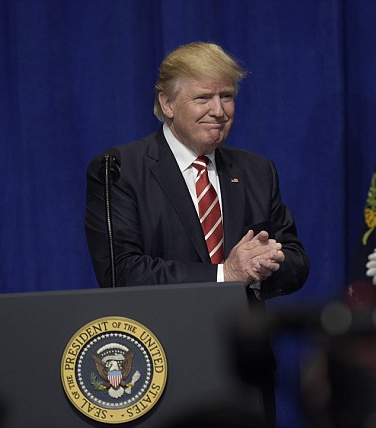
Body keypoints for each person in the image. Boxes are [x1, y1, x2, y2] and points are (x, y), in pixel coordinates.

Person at [84, 42, 310, 425]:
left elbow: (297, 262)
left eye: (227, 96)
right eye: (203, 97)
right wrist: (227, 275)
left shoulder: (257, 171)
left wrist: (268, 263)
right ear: (167, 104)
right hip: (159, 368)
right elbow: (121, 273)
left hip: (244, 372)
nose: (219, 111)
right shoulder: (120, 169)